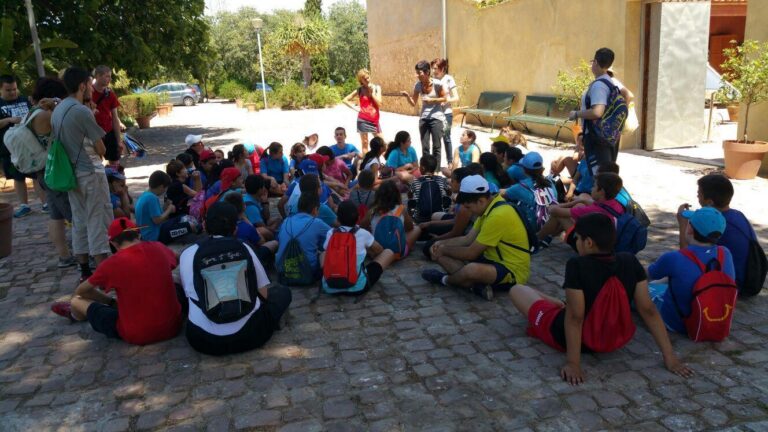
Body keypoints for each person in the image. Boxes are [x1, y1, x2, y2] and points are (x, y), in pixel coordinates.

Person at [508, 213, 693, 385]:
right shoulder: (629, 260)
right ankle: (557, 304)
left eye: (578, 239)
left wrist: (573, 363)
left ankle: (555, 305)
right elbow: (649, 310)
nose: (576, 242)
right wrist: (670, 357)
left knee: (517, 289)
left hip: (570, 337)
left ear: (588, 243)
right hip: (614, 335)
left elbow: (575, 317)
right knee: (552, 301)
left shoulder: (577, 265)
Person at [180, 202, 292, 355]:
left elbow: (189, 293)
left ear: (205, 225)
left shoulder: (188, 254)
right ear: (235, 229)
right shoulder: (244, 248)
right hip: (251, 334)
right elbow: (264, 293)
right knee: (282, 292)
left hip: (204, 340)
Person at [50, 217, 183, 345]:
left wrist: (111, 302)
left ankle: (75, 314)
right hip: (173, 327)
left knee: (76, 300)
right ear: (138, 234)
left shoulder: (111, 264)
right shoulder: (158, 247)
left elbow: (82, 291)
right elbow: (178, 258)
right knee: (174, 279)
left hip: (136, 333)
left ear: (113, 243)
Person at [421, 175, 530, 300]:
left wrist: (444, 249)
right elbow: (467, 239)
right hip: (492, 259)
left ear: (480, 201)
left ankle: (444, 279)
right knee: (438, 250)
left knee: (471, 270)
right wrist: (439, 244)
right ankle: (476, 286)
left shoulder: (498, 215)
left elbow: (471, 253)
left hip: (511, 271)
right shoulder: (488, 207)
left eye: (468, 207)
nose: (469, 211)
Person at [52, 67, 112, 281]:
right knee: (97, 219)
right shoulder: (81, 111)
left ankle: (84, 269)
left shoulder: (59, 109)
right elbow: (101, 148)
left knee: (79, 220)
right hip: (89, 172)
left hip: (71, 173)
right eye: (89, 83)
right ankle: (103, 271)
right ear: (82, 86)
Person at [649, 207, 735, 334]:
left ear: (689, 229)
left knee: (643, 289)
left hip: (679, 324)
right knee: (668, 281)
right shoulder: (725, 253)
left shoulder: (674, 258)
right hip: (712, 318)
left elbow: (646, 275)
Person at [678, 174, 760, 295]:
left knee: (676, 268)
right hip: (751, 276)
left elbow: (687, 255)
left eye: (699, 194)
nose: (697, 196)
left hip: (734, 285)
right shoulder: (737, 214)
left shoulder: (717, 228)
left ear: (710, 202)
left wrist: (683, 224)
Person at [28, 77, 76, 267]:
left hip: (42, 171)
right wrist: (58, 105)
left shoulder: (33, 112)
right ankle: (86, 253)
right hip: (54, 171)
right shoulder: (45, 115)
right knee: (73, 213)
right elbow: (65, 124)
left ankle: (64, 256)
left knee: (56, 215)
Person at [568, 47, 628, 173]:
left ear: (595, 62)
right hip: (607, 136)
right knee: (605, 174)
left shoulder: (599, 85)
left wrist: (576, 114)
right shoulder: (609, 82)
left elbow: (597, 112)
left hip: (597, 138)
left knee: (599, 175)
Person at [321, 201, 396, 294]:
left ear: (338, 219)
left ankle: (326, 275)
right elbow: (379, 250)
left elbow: (326, 252)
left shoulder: (331, 233)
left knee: (324, 252)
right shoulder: (363, 233)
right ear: (358, 218)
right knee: (388, 252)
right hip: (358, 287)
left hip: (330, 285)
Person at [0, 74, 46, 218]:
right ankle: (24, 205)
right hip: (10, 148)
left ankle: (45, 203)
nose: (12, 92)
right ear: (0, 90)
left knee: (36, 173)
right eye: (8, 90)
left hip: (30, 145)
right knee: (17, 177)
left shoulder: (25, 100)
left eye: (14, 89)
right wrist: (8, 120)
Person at [537, 172, 624, 244]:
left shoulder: (592, 210)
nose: (591, 188)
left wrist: (557, 205)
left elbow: (553, 210)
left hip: (591, 247)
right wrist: (578, 201)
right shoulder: (616, 204)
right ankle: (548, 235)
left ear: (601, 191)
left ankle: (536, 239)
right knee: (583, 198)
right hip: (606, 242)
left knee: (558, 215)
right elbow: (587, 201)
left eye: (594, 186)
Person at [275, 192, 332, 284]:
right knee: (325, 251)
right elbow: (334, 236)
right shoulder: (316, 222)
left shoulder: (286, 220)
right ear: (315, 210)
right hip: (307, 271)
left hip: (283, 269)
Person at [401, 60, 447, 168]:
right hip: (424, 118)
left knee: (436, 146)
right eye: (416, 72)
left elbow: (445, 98)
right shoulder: (418, 85)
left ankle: (436, 170)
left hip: (437, 118)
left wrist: (432, 100)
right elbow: (413, 103)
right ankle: (427, 170)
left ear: (427, 72)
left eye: (419, 73)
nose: (417, 75)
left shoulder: (437, 84)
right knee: (425, 147)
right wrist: (408, 96)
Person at [135, 170, 196, 244]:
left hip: (152, 231)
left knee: (181, 217)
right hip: (155, 236)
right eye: (165, 188)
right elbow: (158, 220)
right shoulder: (152, 198)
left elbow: (157, 215)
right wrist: (169, 210)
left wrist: (166, 206)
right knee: (191, 226)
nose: (165, 190)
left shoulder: (145, 195)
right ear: (161, 186)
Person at [365, 180, 421, 257]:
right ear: (397, 195)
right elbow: (409, 228)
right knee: (417, 229)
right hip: (397, 253)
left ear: (378, 194)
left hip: (378, 251)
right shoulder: (401, 209)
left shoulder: (372, 211)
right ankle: (405, 247)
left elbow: (362, 227)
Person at [501, 152, 556, 231]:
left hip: (530, 229)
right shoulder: (550, 183)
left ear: (524, 169)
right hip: (548, 226)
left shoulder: (521, 187)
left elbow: (502, 193)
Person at [343, 68, 383, 154]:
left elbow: (379, 103)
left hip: (374, 120)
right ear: (361, 80)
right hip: (363, 119)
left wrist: (371, 93)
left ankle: (389, 165)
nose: (367, 80)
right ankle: (366, 165)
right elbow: (345, 100)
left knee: (382, 144)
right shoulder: (359, 90)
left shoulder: (377, 88)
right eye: (364, 79)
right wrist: (356, 108)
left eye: (368, 77)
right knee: (365, 143)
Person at [91, 66, 124, 167]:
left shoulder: (110, 94)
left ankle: (116, 181)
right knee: (96, 163)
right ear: (97, 76)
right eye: (107, 76)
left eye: (110, 77)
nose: (109, 79)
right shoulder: (88, 93)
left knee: (115, 162)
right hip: (94, 133)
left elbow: (115, 117)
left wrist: (119, 140)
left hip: (108, 132)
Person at [431, 58, 459, 168]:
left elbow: (456, 97)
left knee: (446, 137)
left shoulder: (449, 79)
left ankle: (450, 162)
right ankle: (435, 164)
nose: (433, 71)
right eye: (432, 68)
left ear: (442, 69)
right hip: (434, 115)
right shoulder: (432, 80)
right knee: (435, 139)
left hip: (446, 114)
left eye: (435, 68)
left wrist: (445, 100)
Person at [408, 154, 451, 223]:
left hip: (421, 217)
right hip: (439, 215)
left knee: (410, 202)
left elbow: (409, 195)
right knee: (447, 199)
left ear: (423, 168)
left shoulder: (415, 181)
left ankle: (413, 220)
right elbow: (449, 192)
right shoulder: (441, 179)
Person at [244, 174, 280, 241]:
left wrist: (265, 202)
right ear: (259, 189)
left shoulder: (254, 198)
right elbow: (263, 228)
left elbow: (267, 217)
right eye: (263, 186)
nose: (265, 188)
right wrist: (275, 228)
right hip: (255, 234)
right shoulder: (251, 206)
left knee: (278, 219)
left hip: (261, 226)